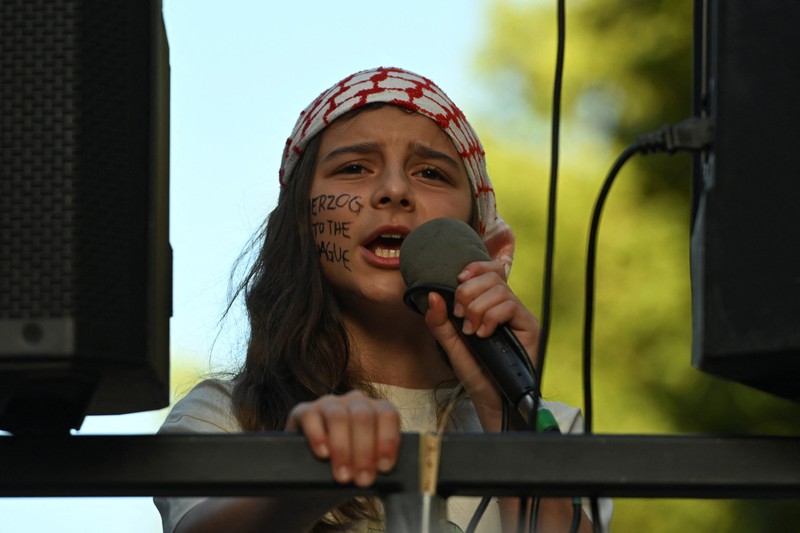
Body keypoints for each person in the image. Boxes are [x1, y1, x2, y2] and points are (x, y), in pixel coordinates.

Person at [154, 66, 612, 532]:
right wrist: (300, 483)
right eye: (354, 168)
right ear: (299, 225)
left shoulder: (556, 429)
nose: (395, 190)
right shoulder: (224, 415)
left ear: (478, 235)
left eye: (431, 173)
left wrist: (506, 418)